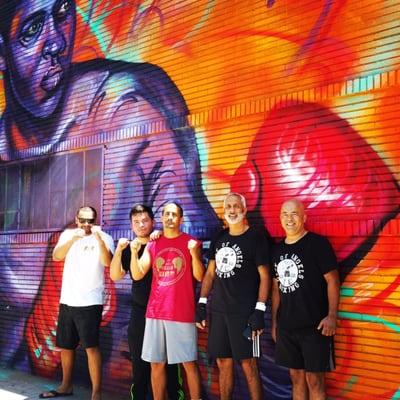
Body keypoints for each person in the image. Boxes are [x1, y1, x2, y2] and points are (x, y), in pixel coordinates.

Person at [0, 0, 218, 371]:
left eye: (63, 13)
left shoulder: (128, 107)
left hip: (143, 352)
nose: (57, 42)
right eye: (32, 30)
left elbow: (193, 247)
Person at [196, 192, 270, 400]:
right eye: (228, 206)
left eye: (236, 206)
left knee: (249, 364)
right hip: (219, 312)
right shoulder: (219, 236)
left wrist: (260, 310)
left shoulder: (256, 237)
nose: (232, 210)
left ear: (244, 210)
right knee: (223, 362)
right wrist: (201, 303)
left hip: (246, 314)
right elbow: (210, 273)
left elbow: (265, 277)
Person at [130, 202, 204, 400]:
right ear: (161, 218)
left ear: (181, 219)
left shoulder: (192, 242)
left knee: (188, 363)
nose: (170, 217)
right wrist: (133, 252)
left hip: (181, 313)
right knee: (156, 364)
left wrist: (195, 254)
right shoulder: (153, 243)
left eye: (174, 214)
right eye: (166, 214)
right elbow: (138, 274)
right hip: (155, 313)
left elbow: (199, 276)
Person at [110, 204, 185, 399]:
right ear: (131, 225)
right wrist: (119, 249)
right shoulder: (130, 248)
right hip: (140, 313)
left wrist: (160, 233)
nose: (141, 225)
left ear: (153, 221)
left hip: (164, 313)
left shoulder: (161, 240)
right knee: (139, 364)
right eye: (136, 222)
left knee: (170, 364)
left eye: (145, 221)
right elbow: (115, 275)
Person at [39, 206, 114, 400]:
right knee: (66, 346)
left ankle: (96, 393)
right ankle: (66, 386)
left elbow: (108, 263)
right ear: (76, 219)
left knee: (91, 347)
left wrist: (97, 240)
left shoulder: (104, 238)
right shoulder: (68, 235)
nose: (87, 224)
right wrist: (73, 239)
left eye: (90, 220)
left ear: (96, 220)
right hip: (68, 299)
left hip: (91, 302)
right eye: (83, 220)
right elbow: (56, 256)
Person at [270, 199, 340, 400]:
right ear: (280, 218)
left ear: (304, 217)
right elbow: (276, 289)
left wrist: (332, 316)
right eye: (285, 214)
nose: (289, 218)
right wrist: (275, 323)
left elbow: (333, 281)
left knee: (315, 381)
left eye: (294, 214)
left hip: (315, 326)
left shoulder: (317, 244)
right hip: (287, 327)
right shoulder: (277, 250)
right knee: (296, 378)